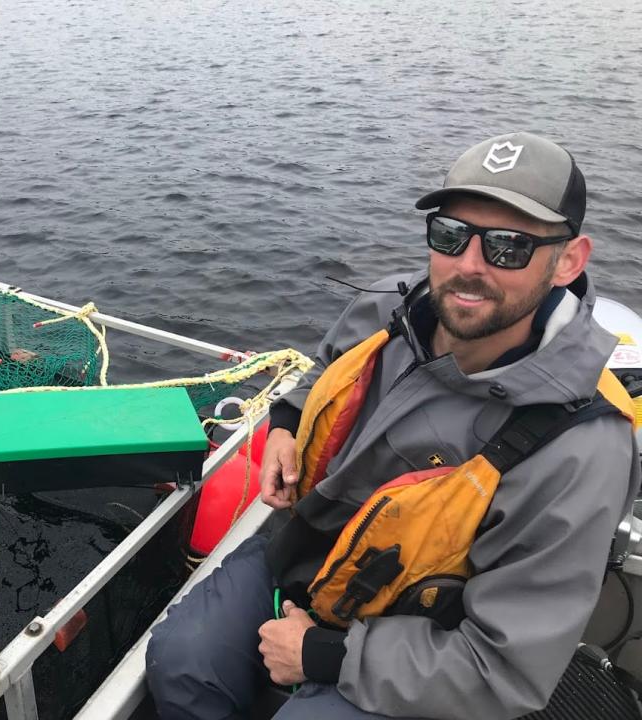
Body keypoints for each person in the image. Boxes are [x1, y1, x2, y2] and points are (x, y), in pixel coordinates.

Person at [145, 132, 641, 720]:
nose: (468, 267)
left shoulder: (581, 445)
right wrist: (285, 421)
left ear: (568, 261)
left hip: (422, 634)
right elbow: (329, 367)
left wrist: (326, 656)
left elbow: (505, 669)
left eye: (508, 247)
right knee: (181, 660)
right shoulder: (389, 306)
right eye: (451, 236)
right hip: (306, 550)